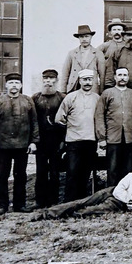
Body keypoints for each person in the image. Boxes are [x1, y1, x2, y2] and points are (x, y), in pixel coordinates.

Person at [36, 153, 132, 218]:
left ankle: (62, 214)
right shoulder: (131, 176)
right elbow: (118, 190)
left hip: (118, 204)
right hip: (112, 193)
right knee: (83, 202)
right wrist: (131, 200)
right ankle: (47, 213)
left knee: (89, 211)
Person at [0, 73, 39, 215]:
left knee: (21, 176)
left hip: (22, 146)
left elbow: (34, 122)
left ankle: (19, 205)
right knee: (2, 175)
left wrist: (33, 142)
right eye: (11, 83)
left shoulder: (27, 101)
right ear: (6, 85)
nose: (14, 85)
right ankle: (2, 206)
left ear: (21, 85)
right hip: (3, 146)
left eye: (17, 83)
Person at [54, 68, 100, 202]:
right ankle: (69, 202)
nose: (87, 82)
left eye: (89, 80)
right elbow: (59, 119)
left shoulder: (97, 98)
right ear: (80, 81)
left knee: (86, 173)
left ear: (93, 81)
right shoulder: (71, 97)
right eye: (84, 80)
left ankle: (81, 202)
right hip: (74, 142)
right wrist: (71, 129)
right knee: (73, 172)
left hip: (91, 141)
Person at [95, 67, 132, 189]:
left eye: (125, 75)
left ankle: (127, 194)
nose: (122, 78)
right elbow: (99, 115)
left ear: (128, 77)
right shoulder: (107, 93)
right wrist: (102, 138)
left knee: (128, 169)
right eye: (119, 75)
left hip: (130, 138)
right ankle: (111, 195)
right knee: (113, 168)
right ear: (115, 77)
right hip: (113, 137)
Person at [32, 68, 65, 209]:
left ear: (56, 81)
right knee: (41, 171)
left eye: (51, 79)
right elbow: (32, 120)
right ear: (42, 80)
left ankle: (53, 201)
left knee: (54, 171)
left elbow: (66, 120)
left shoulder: (62, 98)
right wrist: (33, 140)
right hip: (41, 140)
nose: (48, 82)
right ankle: (40, 201)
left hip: (56, 140)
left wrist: (63, 141)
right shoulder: (35, 98)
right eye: (46, 79)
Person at [59, 24, 105, 94]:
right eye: (81, 37)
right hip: (75, 86)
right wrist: (63, 91)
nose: (84, 39)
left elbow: (102, 75)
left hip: (91, 87)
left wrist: (101, 92)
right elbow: (65, 73)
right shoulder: (72, 53)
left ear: (91, 37)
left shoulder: (98, 53)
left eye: (86, 36)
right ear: (79, 38)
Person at [109, 27, 132, 92]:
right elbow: (111, 70)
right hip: (119, 86)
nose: (130, 38)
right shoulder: (117, 52)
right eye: (128, 35)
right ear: (123, 37)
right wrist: (110, 86)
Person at [98, 18, 128, 85]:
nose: (117, 32)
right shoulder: (105, 46)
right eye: (114, 30)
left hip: (123, 79)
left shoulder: (127, 45)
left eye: (119, 30)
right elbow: (95, 56)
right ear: (110, 32)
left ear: (123, 31)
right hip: (109, 79)